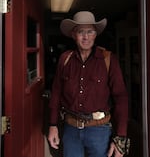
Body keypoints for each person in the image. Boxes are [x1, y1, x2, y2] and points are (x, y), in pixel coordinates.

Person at [48, 11, 130, 157]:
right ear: (74, 35)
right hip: (70, 129)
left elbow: (121, 98)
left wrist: (120, 137)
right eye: (81, 32)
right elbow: (56, 92)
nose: (85, 37)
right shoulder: (65, 59)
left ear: (95, 34)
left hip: (100, 131)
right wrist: (53, 125)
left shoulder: (108, 59)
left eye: (90, 31)